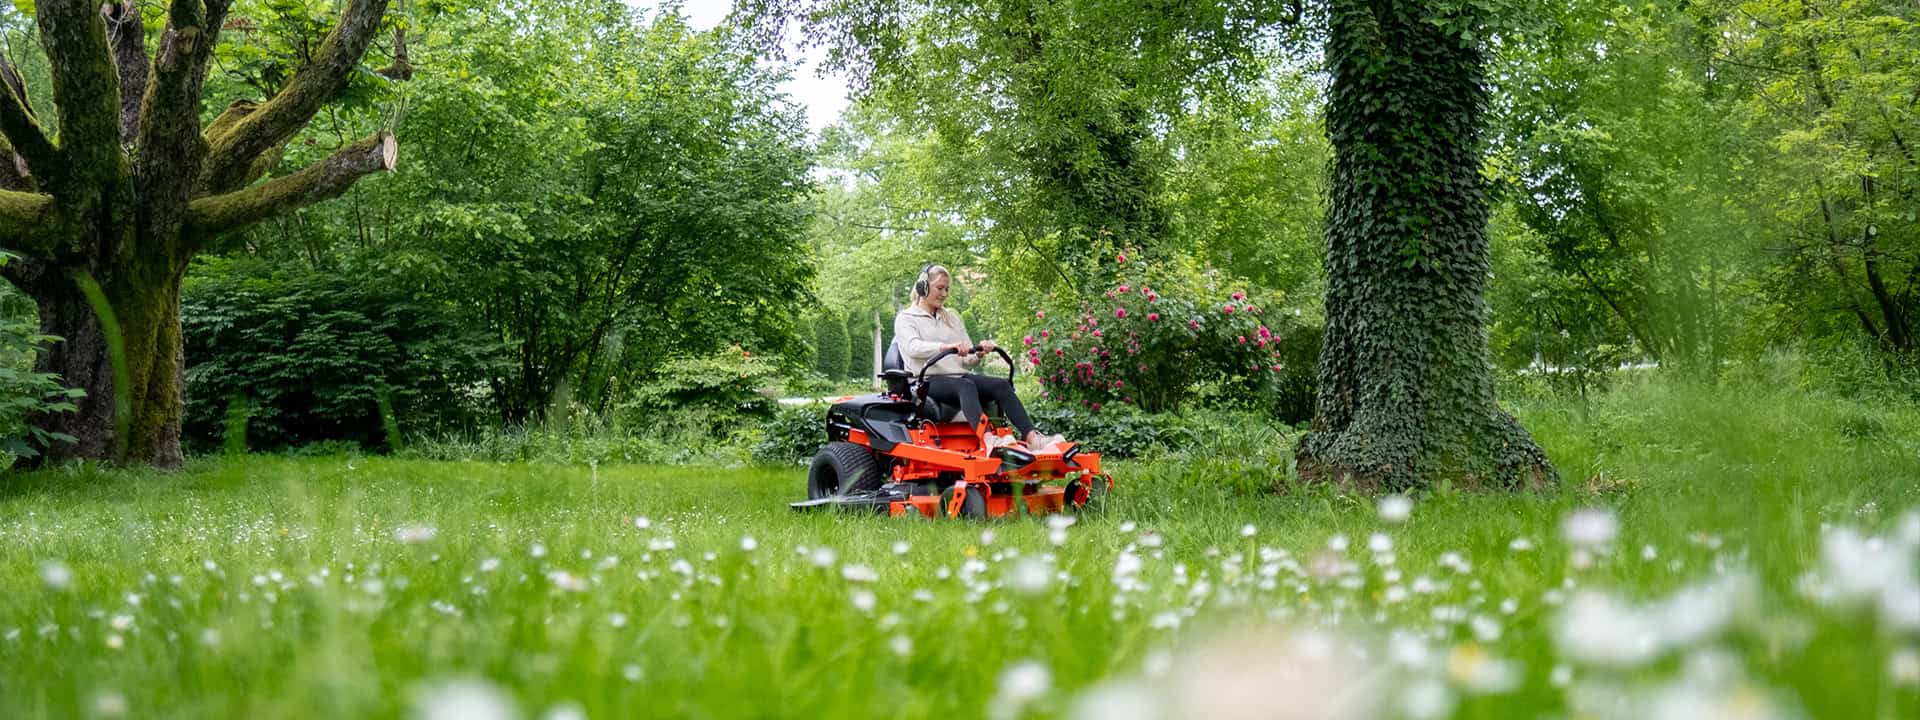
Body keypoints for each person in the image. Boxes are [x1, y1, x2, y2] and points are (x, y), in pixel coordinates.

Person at [894, 263, 1064, 452]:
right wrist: (945, 347)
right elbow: (912, 347)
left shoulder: (951, 318)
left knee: (1001, 385)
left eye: (947, 289)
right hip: (927, 380)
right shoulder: (906, 318)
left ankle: (1033, 439)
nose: (944, 294)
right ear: (923, 287)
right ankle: (989, 440)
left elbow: (967, 361)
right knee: (965, 385)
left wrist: (980, 353)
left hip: (958, 376)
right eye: (939, 288)